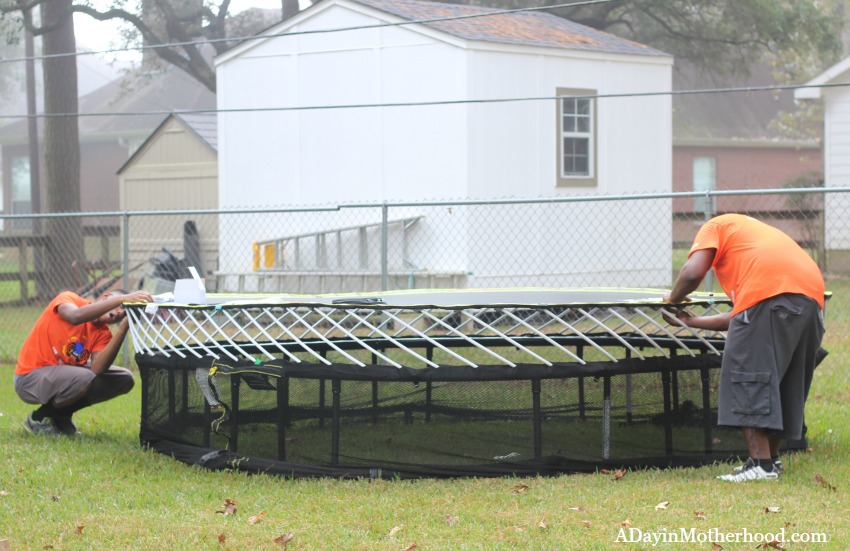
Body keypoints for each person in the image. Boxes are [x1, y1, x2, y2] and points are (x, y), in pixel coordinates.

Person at [663, 214, 825, 482]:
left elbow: (691, 273)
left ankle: (760, 466)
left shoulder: (715, 226)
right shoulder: (753, 246)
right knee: (782, 381)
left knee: (745, 373)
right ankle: (771, 461)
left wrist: (672, 298)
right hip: (810, 299)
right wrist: (690, 321)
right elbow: (744, 316)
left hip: (772, 298)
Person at [14, 288, 153, 436]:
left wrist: (124, 327)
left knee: (123, 378)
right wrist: (123, 299)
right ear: (106, 297)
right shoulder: (70, 299)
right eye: (121, 306)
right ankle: (39, 418)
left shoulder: (103, 334)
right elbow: (75, 316)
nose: (120, 312)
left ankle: (60, 415)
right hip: (29, 377)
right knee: (85, 378)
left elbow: (98, 369)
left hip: (59, 375)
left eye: (125, 312)